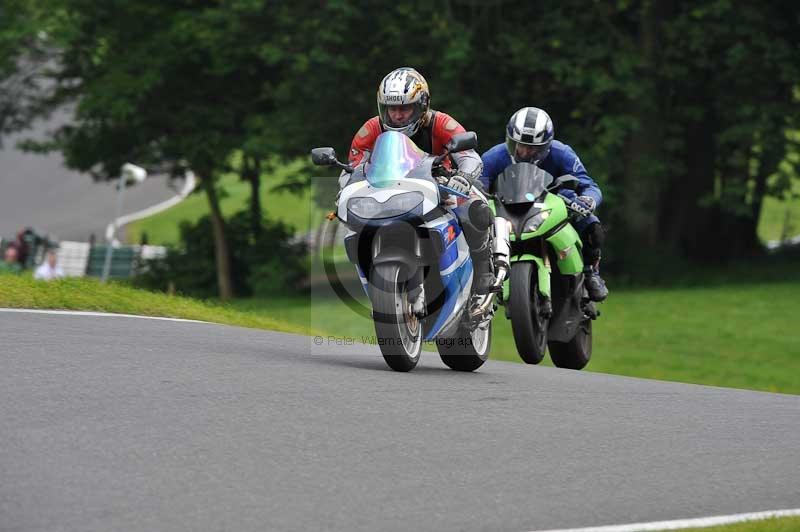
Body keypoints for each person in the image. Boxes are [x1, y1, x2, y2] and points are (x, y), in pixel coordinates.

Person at [343, 67, 495, 293]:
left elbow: (470, 156)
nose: (397, 115)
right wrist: (346, 189)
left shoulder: (441, 123)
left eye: (404, 108)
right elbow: (351, 170)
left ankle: (484, 269)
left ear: (423, 104)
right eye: (391, 108)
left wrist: (463, 177)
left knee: (476, 209)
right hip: (387, 192)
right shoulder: (371, 129)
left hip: (441, 187)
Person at [479, 107, 608, 302]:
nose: (524, 151)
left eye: (533, 148)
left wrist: (588, 200)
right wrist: (476, 197)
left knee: (592, 226)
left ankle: (591, 272)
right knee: (475, 226)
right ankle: (484, 274)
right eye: (518, 145)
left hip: (555, 203)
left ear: (546, 145)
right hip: (508, 206)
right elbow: (478, 182)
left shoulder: (562, 153)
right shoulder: (494, 156)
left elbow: (588, 184)